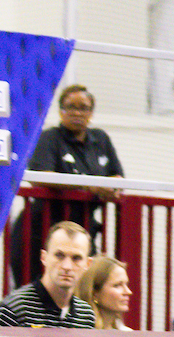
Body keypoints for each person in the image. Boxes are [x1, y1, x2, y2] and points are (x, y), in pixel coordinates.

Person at [9, 84, 124, 284]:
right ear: (61, 111)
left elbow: (118, 178)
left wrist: (111, 187)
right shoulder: (50, 138)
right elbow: (39, 176)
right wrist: (88, 185)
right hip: (41, 231)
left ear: (91, 113)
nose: (77, 113)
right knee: (36, 291)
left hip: (83, 230)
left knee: (83, 289)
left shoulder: (101, 139)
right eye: (70, 107)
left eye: (83, 108)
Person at [0, 221, 96, 328]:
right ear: (44, 257)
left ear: (88, 264)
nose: (67, 266)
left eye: (76, 258)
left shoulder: (85, 316)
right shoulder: (12, 310)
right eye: (59, 255)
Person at [76, 255, 134, 331]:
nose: (128, 292)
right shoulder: (77, 331)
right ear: (94, 293)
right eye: (117, 285)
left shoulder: (127, 333)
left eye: (126, 284)